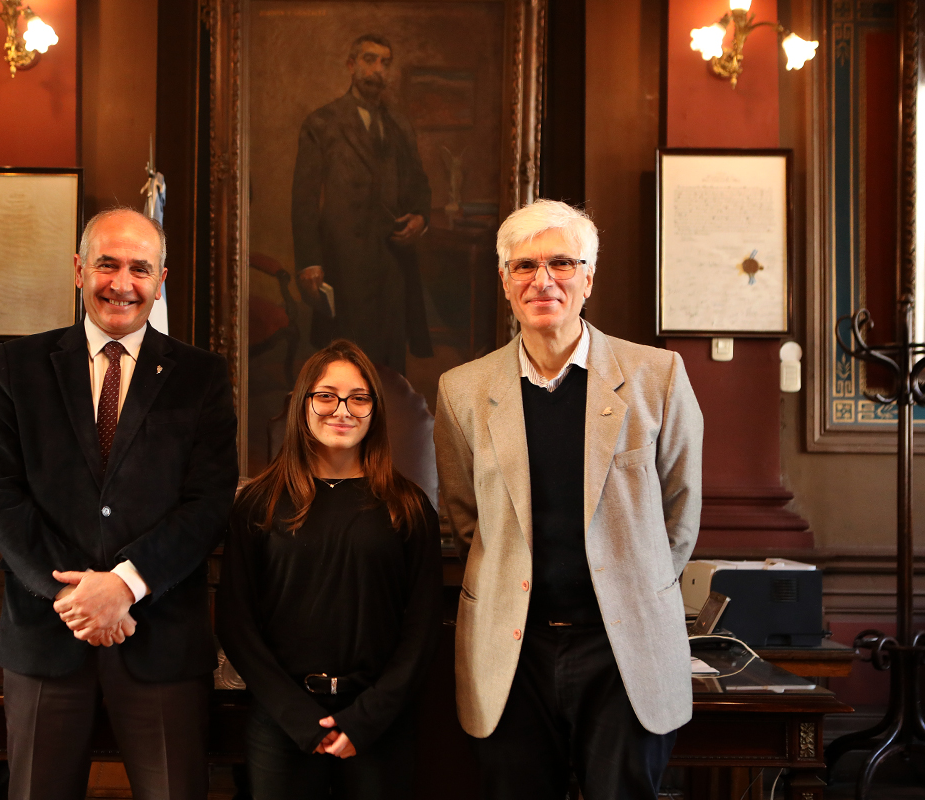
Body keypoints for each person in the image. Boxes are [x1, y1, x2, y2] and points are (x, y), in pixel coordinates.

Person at [433, 199, 703, 799]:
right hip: (512, 650)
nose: (542, 279)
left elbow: (680, 514)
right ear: (505, 282)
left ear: (588, 277)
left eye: (560, 262)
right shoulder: (463, 391)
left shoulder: (657, 377)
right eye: (524, 266)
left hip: (622, 648)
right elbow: (465, 521)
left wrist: (635, 585)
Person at [0, 208, 239, 800]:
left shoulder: (201, 376)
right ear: (78, 269)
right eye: (107, 264)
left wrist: (123, 585)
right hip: (46, 635)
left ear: (161, 278)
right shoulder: (18, 367)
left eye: (140, 269)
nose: (122, 283)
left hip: (162, 639)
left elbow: (208, 502)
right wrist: (74, 594)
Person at [217, 339, 443, 800]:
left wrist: (366, 718)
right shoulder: (259, 503)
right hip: (283, 722)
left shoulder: (409, 506)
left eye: (359, 397)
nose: (342, 409)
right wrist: (298, 718)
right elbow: (236, 621)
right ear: (304, 404)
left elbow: (421, 629)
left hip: (378, 725)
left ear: (375, 411)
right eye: (326, 395)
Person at [292, 33, 433, 374]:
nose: (378, 70)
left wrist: (421, 219)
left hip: (393, 261)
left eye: (385, 63)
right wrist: (310, 261)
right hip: (345, 261)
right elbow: (304, 199)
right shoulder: (322, 123)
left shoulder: (400, 124)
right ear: (352, 66)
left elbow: (420, 185)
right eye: (370, 60)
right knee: (347, 360)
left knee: (392, 363)